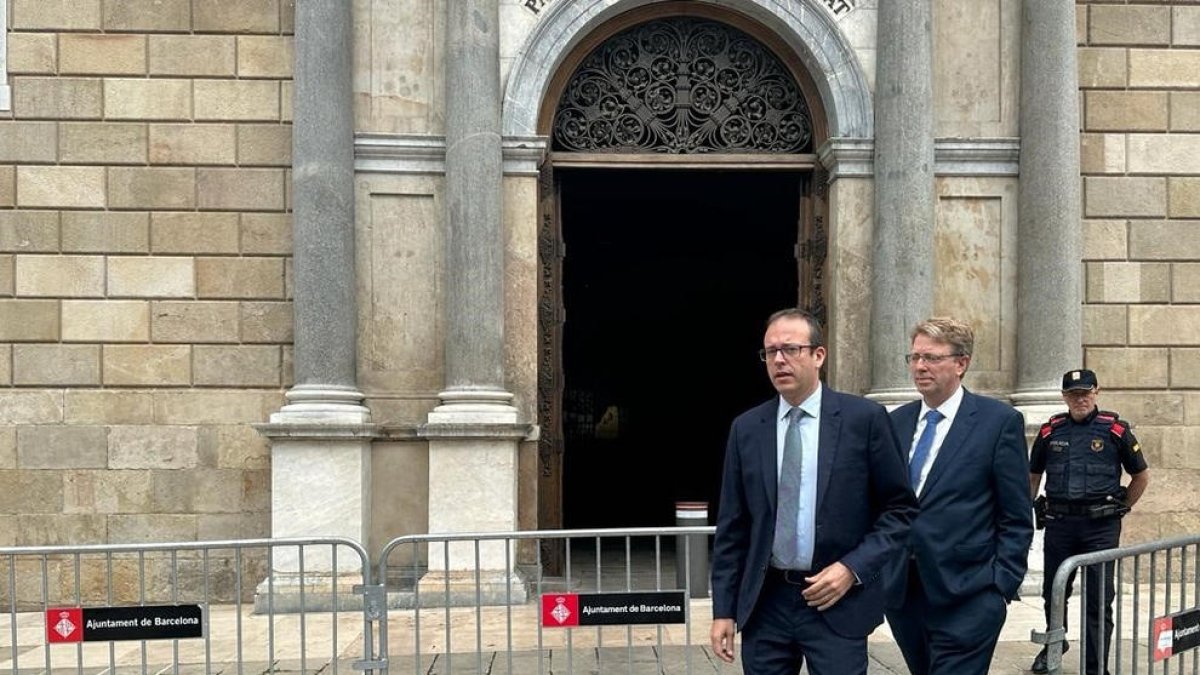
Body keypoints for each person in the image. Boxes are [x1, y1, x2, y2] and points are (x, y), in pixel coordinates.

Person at [709, 309, 918, 675]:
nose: (778, 360)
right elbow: (733, 526)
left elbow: (899, 511)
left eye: (791, 349)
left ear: (818, 355)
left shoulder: (864, 420)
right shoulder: (747, 429)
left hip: (836, 599)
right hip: (766, 601)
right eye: (770, 352)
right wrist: (724, 609)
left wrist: (852, 569)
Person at [882, 317, 1033, 675]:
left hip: (970, 594)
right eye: (915, 357)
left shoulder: (998, 422)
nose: (920, 366)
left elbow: (1015, 513)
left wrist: (1001, 586)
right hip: (904, 594)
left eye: (932, 358)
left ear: (961, 363)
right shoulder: (895, 422)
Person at [1028, 368, 1150, 675]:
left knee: (1098, 600)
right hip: (1060, 523)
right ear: (1064, 397)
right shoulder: (1049, 431)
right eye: (1073, 394)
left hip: (1100, 527)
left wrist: (1123, 507)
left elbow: (1140, 476)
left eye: (1085, 393)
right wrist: (1030, 505)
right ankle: (1054, 647)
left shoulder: (1116, 431)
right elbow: (1033, 475)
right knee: (1054, 592)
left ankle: (1096, 667)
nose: (1080, 399)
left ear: (1096, 392)